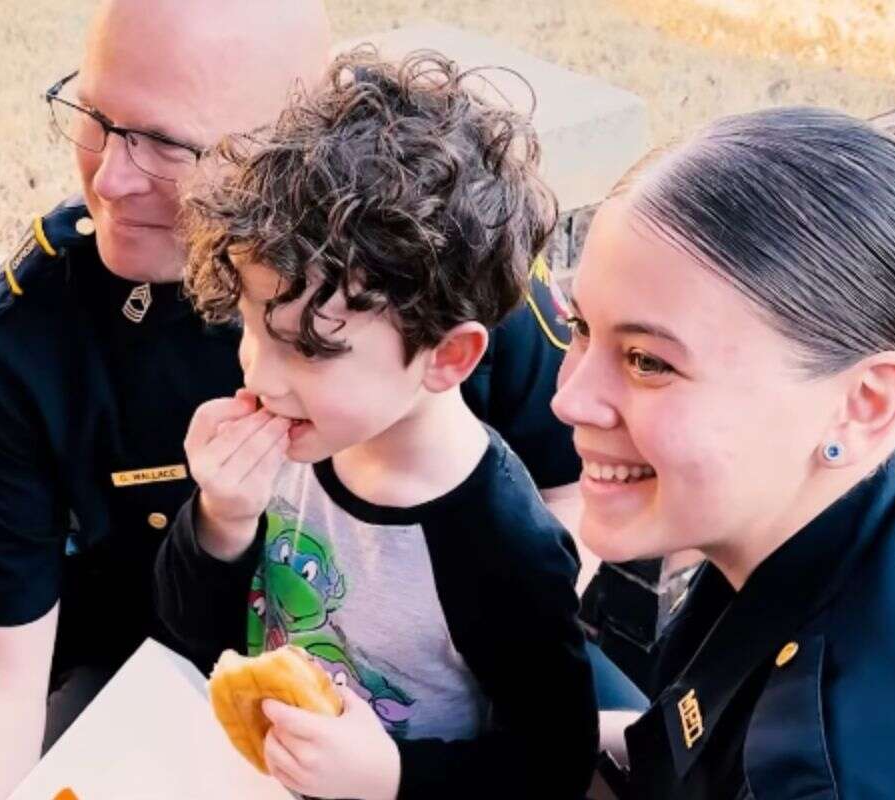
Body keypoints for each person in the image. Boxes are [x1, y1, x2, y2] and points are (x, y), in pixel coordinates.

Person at [0, 3, 587, 798]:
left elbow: (568, 496)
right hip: (174, 701)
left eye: (167, 144)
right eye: (95, 116)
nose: (111, 179)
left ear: (297, 139)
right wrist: (220, 525)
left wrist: (437, 695)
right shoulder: (25, 340)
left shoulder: (430, 256)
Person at [155, 51, 599, 800]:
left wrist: (394, 776)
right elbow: (195, 640)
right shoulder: (301, 440)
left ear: (446, 358)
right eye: (253, 328)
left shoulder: (502, 546)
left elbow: (552, 763)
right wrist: (220, 523)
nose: (258, 375)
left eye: (307, 348)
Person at [551, 106, 895, 798]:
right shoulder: (862, 509)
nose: (570, 400)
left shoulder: (826, 768)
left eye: (648, 361)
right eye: (581, 329)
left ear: (864, 404)